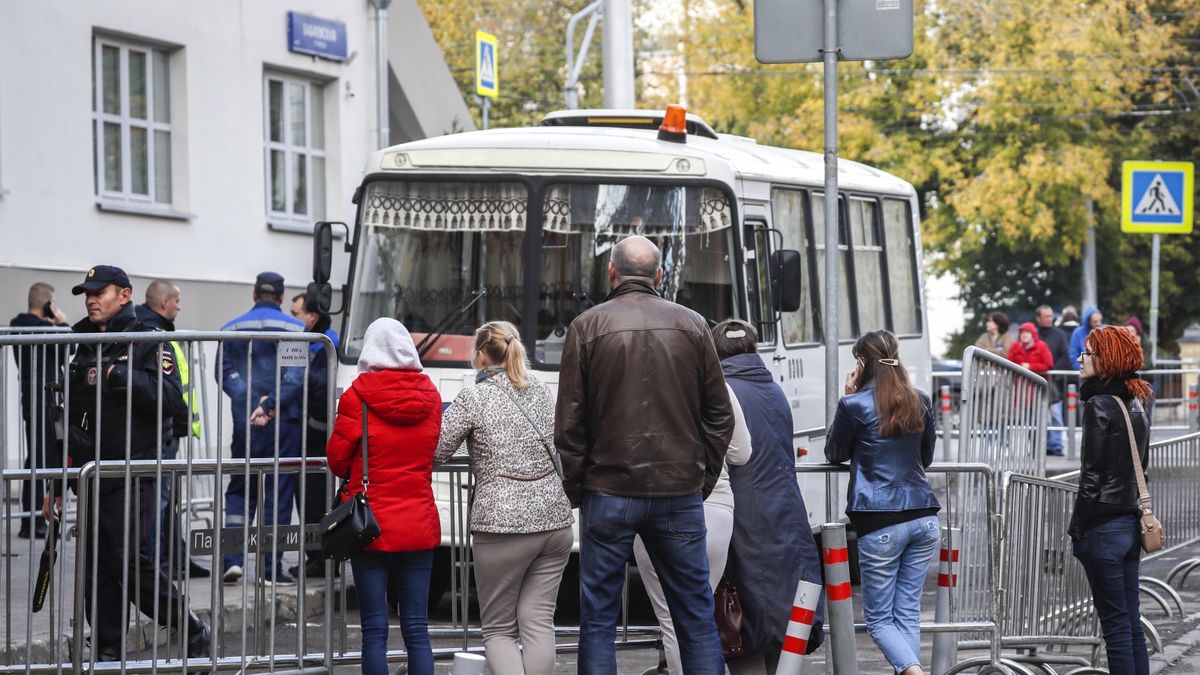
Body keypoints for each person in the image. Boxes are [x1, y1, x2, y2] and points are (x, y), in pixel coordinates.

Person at [555, 235, 734, 675]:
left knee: (597, 618)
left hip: (608, 490)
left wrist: (580, 489)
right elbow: (720, 416)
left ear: (611, 273)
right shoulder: (693, 325)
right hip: (679, 491)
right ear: (659, 275)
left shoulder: (587, 327)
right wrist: (700, 478)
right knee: (694, 615)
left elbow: (569, 424)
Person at [46, 265, 210, 662]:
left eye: (99, 292)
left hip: (135, 470)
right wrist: (57, 477)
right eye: (86, 293)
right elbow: (70, 418)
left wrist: (120, 374)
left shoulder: (147, 341)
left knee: (129, 561)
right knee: (97, 568)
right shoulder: (82, 343)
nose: (89, 299)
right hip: (90, 474)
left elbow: (173, 402)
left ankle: (188, 626)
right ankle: (107, 649)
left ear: (123, 295)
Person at [435, 320, 573, 675]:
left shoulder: (474, 398)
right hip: (555, 520)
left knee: (498, 628)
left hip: (502, 523)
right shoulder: (542, 389)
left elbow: (436, 452)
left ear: (481, 355)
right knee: (539, 620)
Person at [629, 320, 753, 675]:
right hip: (715, 507)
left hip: (655, 506)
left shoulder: (640, 389)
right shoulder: (720, 389)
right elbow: (742, 452)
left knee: (670, 619)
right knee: (699, 614)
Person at [326, 317, 441, 675]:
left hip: (370, 524)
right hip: (419, 521)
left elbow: (336, 459)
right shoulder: (431, 395)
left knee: (375, 628)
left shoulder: (357, 395)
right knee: (417, 627)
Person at [713, 320, 825, 675]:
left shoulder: (722, 392)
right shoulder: (775, 391)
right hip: (786, 520)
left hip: (742, 521)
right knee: (780, 624)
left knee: (743, 625)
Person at [825, 330, 939, 675]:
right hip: (924, 516)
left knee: (877, 621)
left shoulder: (854, 404)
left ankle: (914, 673)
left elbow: (835, 453)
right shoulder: (919, 399)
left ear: (861, 363)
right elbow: (927, 457)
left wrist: (848, 395)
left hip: (880, 519)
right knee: (906, 613)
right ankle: (911, 670)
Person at [1068, 326, 1153, 674]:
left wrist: (1077, 529)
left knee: (1116, 629)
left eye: (1088, 353)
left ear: (1106, 361)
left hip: (1102, 528)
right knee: (1131, 625)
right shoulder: (1135, 404)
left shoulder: (1099, 405)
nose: (1080, 358)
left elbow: (1092, 475)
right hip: (1131, 524)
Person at [216, 272, 305, 584]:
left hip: (246, 422)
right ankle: (270, 571)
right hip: (285, 422)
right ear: (281, 298)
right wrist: (269, 405)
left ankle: (232, 559)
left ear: (254, 293)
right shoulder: (295, 328)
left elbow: (224, 373)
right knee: (277, 494)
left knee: (240, 487)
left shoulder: (231, 327)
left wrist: (251, 402)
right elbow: (295, 377)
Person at [135, 280, 210, 578]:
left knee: (168, 501)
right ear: (164, 303)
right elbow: (167, 389)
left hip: (170, 430)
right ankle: (156, 566)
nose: (179, 306)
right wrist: (179, 417)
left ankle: (174, 559)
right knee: (158, 502)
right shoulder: (152, 333)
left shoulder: (159, 330)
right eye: (177, 300)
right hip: (161, 431)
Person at [287, 292, 341, 579]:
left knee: (313, 494)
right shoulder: (321, 340)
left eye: (296, 314)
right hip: (317, 431)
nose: (292, 319)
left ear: (312, 317)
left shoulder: (324, 344)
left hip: (319, 434)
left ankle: (321, 556)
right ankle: (320, 555)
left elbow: (320, 388)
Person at [9, 282, 68, 539]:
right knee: (42, 458)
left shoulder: (16, 325)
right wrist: (62, 323)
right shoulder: (45, 328)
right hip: (46, 401)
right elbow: (72, 345)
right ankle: (34, 522)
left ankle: (30, 520)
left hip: (31, 399)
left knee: (35, 457)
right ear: (47, 303)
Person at [1036, 306, 1071, 457]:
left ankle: (1056, 445)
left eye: (1051, 316)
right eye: (1046, 316)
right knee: (1038, 414)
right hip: (1036, 380)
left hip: (1054, 380)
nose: (1049, 319)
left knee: (1055, 413)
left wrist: (1053, 373)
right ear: (1039, 318)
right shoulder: (1033, 334)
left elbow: (1064, 356)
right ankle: (1042, 445)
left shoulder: (1059, 334)